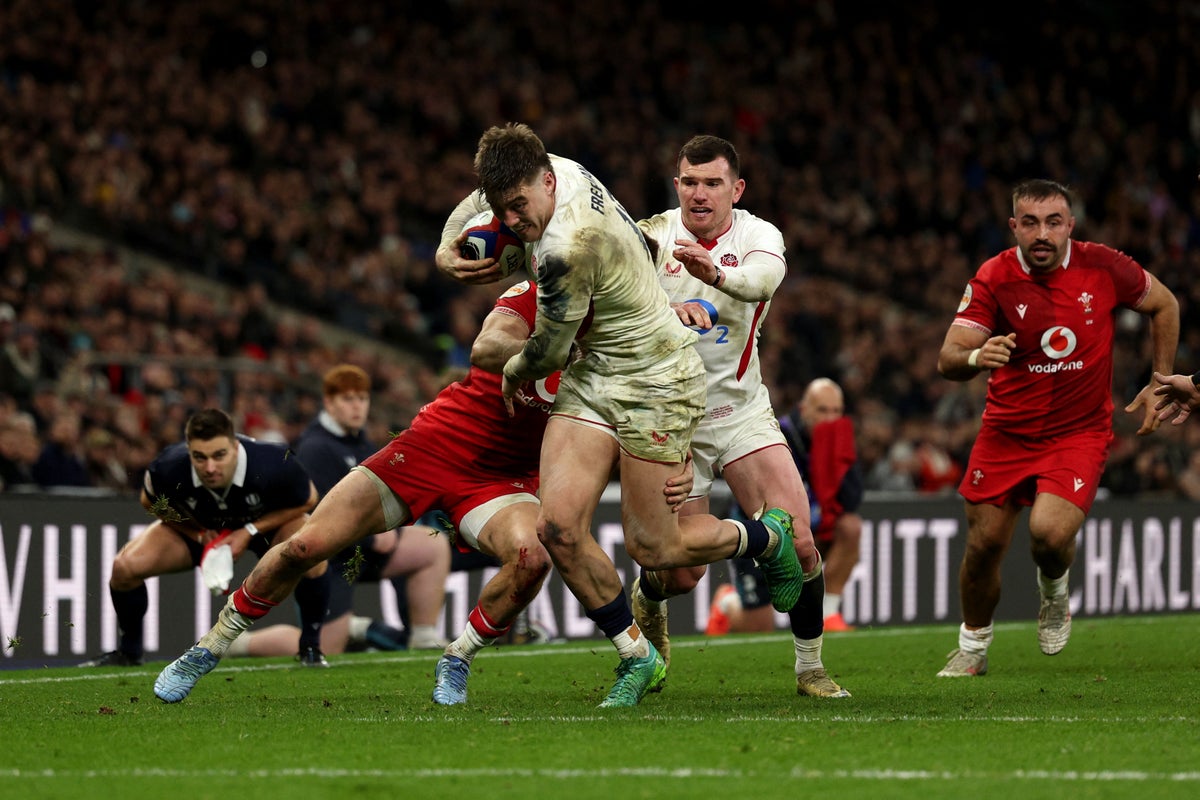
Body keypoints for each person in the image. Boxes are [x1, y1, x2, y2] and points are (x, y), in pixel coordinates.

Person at [152, 280, 692, 705]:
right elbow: (486, 346)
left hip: (504, 478)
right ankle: (209, 647)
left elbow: (645, 422)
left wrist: (681, 461)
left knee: (533, 557)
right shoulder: (542, 294)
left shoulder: (632, 346)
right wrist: (552, 349)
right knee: (304, 546)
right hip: (434, 444)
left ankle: (457, 657)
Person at [432, 123, 804, 707]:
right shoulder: (555, 167)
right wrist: (445, 248)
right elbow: (479, 199)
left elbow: (547, 354)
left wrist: (511, 372)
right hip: (594, 377)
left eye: (519, 207)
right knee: (557, 529)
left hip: (656, 379)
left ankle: (765, 535)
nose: (511, 221)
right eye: (503, 209)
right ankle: (636, 657)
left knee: (657, 552)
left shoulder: (566, 249)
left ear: (546, 183)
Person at [626, 136, 849, 698]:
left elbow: (762, 281)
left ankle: (810, 668)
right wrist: (665, 307)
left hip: (740, 412)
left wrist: (715, 275)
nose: (699, 194)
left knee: (801, 541)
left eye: (713, 183)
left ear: (737, 188)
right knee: (682, 573)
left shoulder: (757, 235)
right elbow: (617, 301)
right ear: (677, 185)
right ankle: (649, 594)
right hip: (671, 419)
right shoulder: (650, 236)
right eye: (689, 182)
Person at [935, 178, 1179, 677]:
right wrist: (978, 356)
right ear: (1014, 227)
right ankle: (973, 646)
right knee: (983, 546)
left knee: (1048, 534)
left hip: (1077, 433)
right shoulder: (994, 277)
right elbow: (949, 357)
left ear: (1070, 225)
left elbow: (1165, 305)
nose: (1042, 234)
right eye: (1030, 223)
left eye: (1053, 222)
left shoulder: (1103, 266)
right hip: (1005, 433)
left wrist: (1162, 380)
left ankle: (1054, 590)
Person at [226, 364, 451, 658]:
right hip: (330, 559)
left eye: (362, 398)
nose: (357, 407)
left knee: (432, 546)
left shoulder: (361, 441)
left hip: (361, 550)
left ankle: (423, 637)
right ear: (329, 403)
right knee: (325, 648)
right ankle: (241, 644)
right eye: (348, 399)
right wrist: (371, 538)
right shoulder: (316, 448)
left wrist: (387, 530)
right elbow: (318, 517)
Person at [80, 408, 330, 667]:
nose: (210, 468)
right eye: (200, 457)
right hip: (203, 529)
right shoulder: (169, 466)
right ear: (189, 451)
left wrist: (249, 531)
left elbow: (308, 499)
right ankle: (129, 653)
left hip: (262, 527)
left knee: (309, 548)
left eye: (219, 455)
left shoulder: (273, 461)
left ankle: (311, 647)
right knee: (124, 567)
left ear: (235, 447)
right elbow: (150, 501)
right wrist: (196, 532)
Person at [707, 377, 863, 636]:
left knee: (850, 527)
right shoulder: (777, 435)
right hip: (762, 530)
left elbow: (852, 501)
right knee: (759, 627)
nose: (830, 418)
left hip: (804, 531)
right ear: (804, 410)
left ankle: (829, 612)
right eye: (822, 410)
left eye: (836, 411)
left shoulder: (839, 439)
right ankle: (727, 603)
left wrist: (832, 457)